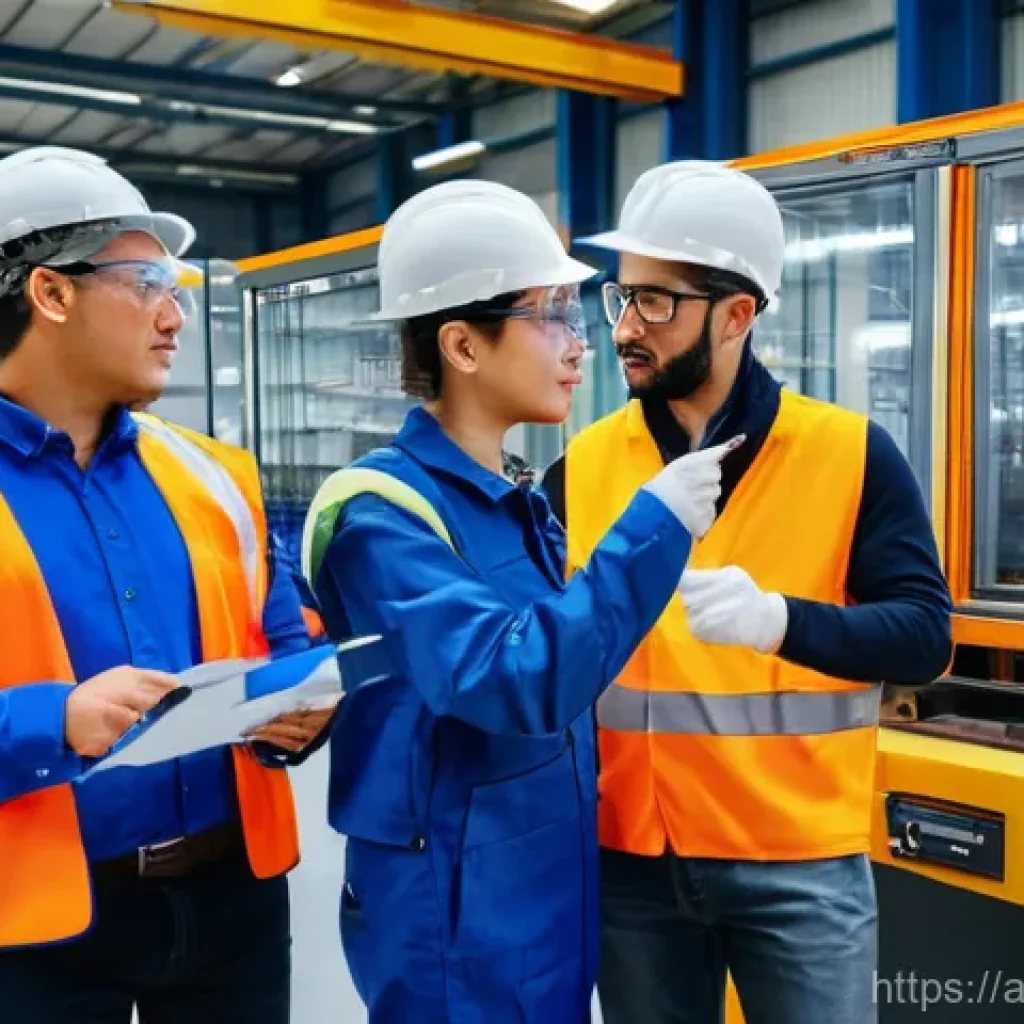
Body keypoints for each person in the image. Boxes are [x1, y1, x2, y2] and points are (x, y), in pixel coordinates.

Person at [301, 179, 736, 1023]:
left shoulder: (512, 501)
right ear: (462, 345)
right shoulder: (384, 518)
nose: (583, 344)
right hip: (455, 915)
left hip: (540, 892)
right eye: (553, 315)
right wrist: (651, 529)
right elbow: (516, 679)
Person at [541, 160, 954, 1024]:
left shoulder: (850, 455)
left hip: (798, 863)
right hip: (632, 865)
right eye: (622, 298)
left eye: (658, 302)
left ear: (736, 314)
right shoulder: (582, 468)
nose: (625, 328)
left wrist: (779, 622)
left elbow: (924, 638)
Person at [0, 145, 332, 1023]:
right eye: (147, 280)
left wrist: (299, 707)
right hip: (32, 930)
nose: (174, 313)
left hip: (233, 908)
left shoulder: (218, 476)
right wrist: (51, 720)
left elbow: (282, 639)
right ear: (52, 292)